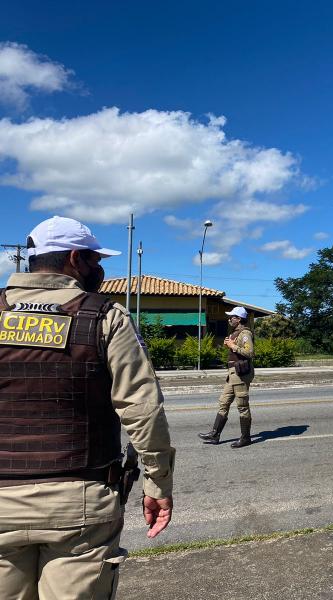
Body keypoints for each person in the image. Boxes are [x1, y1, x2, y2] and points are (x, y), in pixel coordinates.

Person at [0, 215, 175, 599]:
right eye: (96, 261)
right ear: (76, 260)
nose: (100, 269)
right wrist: (158, 483)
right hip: (79, 503)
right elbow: (142, 409)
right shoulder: (105, 316)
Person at [198, 306, 255, 448]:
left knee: (242, 406)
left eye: (232, 317)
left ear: (239, 319)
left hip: (241, 374)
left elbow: (250, 353)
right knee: (223, 402)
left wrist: (233, 346)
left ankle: (246, 438)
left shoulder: (245, 333)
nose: (229, 319)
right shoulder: (235, 333)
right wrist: (229, 345)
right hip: (232, 374)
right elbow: (237, 352)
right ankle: (215, 434)